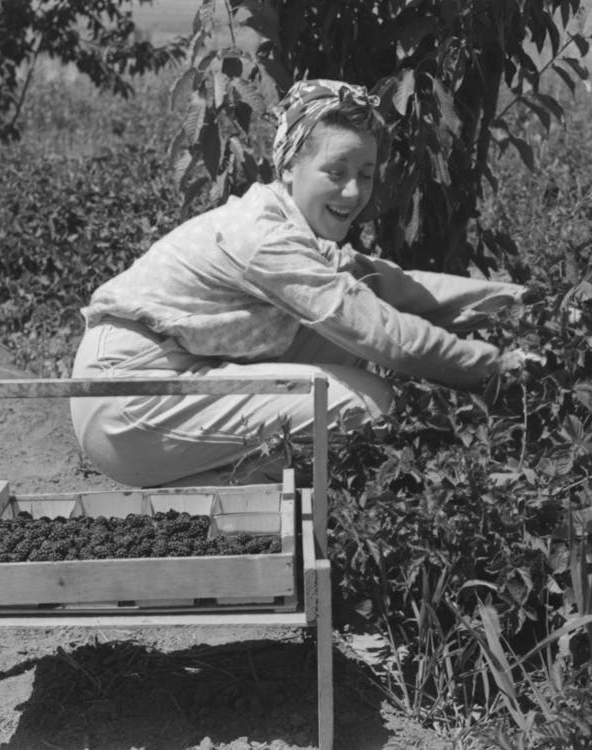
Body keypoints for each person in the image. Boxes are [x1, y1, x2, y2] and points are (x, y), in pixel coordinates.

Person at [70, 79, 530, 488]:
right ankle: (212, 489)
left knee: (355, 306)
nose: (353, 192)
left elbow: (393, 287)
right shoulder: (266, 239)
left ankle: (226, 480)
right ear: (288, 165)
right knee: (370, 403)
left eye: (365, 175)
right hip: (126, 403)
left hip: (169, 374)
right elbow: (380, 331)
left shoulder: (288, 223)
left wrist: (522, 305)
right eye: (336, 172)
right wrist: (496, 367)